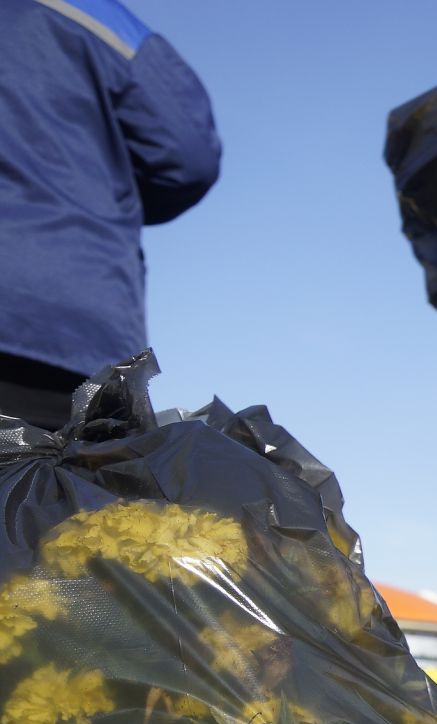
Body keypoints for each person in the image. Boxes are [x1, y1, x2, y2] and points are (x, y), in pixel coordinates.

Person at [0, 0, 220, 428]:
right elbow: (188, 157)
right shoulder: (87, 15)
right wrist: (100, 201)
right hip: (59, 319)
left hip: (52, 323)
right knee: (68, 488)